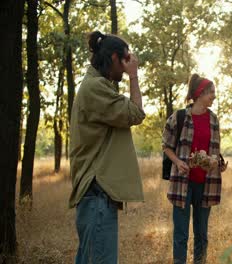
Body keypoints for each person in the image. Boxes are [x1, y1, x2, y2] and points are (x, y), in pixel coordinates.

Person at [69, 31, 146, 263]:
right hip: (97, 194)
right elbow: (136, 113)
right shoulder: (95, 88)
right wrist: (134, 76)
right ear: (114, 57)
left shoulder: (98, 86)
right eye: (125, 61)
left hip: (97, 196)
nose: (126, 67)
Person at [162, 73, 228, 264]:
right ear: (200, 94)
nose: (214, 96)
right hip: (183, 183)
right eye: (211, 93)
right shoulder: (179, 117)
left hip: (206, 184)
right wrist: (178, 162)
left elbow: (215, 150)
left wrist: (218, 162)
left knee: (202, 234)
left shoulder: (214, 119)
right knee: (181, 235)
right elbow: (166, 145)